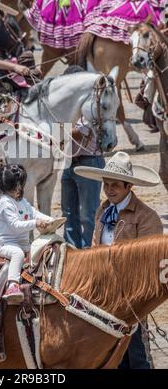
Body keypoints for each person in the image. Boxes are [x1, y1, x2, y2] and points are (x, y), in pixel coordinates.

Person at [75, 151, 163, 369]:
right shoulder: (103, 210)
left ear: (128, 187)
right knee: (112, 353)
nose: (109, 190)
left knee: (136, 353)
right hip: (104, 292)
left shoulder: (146, 217)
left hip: (131, 295)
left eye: (115, 185)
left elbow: (149, 262)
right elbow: (96, 247)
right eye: (106, 185)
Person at [0, 164, 53, 303]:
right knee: (17, 254)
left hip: (23, 243)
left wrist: (50, 220)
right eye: (17, 186)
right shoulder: (4, 203)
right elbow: (15, 226)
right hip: (6, 244)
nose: (20, 189)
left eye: (21, 185)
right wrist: (35, 223)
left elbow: (34, 212)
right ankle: (12, 285)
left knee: (40, 250)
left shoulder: (22, 202)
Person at [61, 119, 105, 249]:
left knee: (88, 212)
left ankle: (89, 250)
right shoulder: (71, 110)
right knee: (68, 211)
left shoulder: (88, 111)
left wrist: (54, 127)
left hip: (89, 160)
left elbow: (77, 134)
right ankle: (72, 249)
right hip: (71, 160)